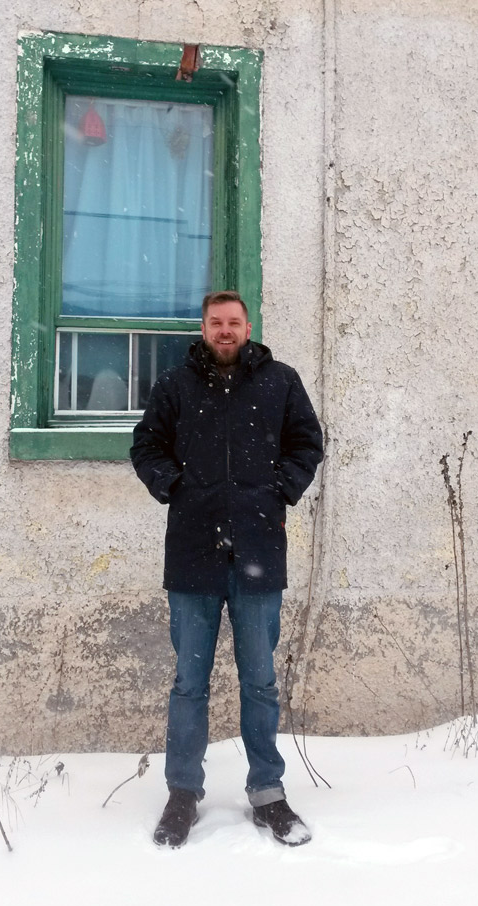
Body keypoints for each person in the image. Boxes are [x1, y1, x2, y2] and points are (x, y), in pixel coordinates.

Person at [131, 290, 324, 848]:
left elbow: (307, 443)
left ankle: (268, 794)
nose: (224, 330)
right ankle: (183, 794)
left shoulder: (279, 381)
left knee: (260, 683)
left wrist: (278, 491)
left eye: (233, 323)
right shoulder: (175, 384)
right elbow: (146, 446)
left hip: (259, 555)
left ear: (247, 326)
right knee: (189, 684)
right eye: (215, 322)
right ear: (204, 327)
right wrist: (176, 488)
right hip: (193, 556)